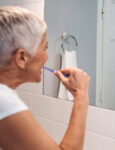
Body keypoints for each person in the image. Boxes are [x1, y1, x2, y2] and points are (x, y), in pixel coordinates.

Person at [0, 6, 90, 150]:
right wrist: (81, 95)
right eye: (44, 48)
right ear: (21, 57)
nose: (47, 57)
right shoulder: (4, 100)